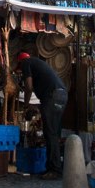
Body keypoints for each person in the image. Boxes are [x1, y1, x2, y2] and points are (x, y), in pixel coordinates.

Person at [17, 51, 67, 179]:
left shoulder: (26, 63)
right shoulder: (37, 63)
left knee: (50, 133)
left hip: (53, 95)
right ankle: (56, 167)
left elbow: (28, 86)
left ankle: (54, 170)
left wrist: (26, 104)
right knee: (54, 133)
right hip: (61, 94)